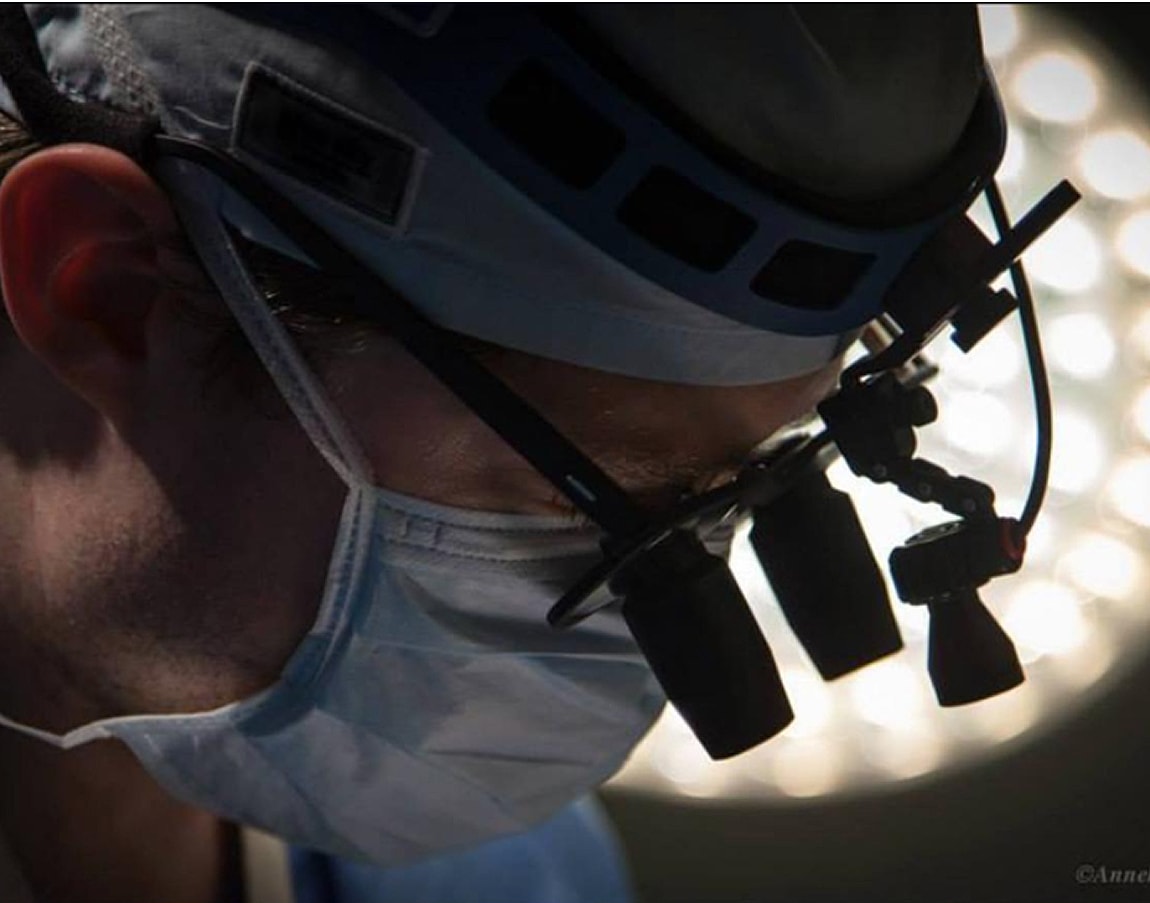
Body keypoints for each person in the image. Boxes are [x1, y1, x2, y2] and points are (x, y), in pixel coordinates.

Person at [0, 5, 991, 902]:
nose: (626, 641)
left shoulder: (526, 884)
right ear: (110, 290)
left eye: (727, 497)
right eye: (592, 498)